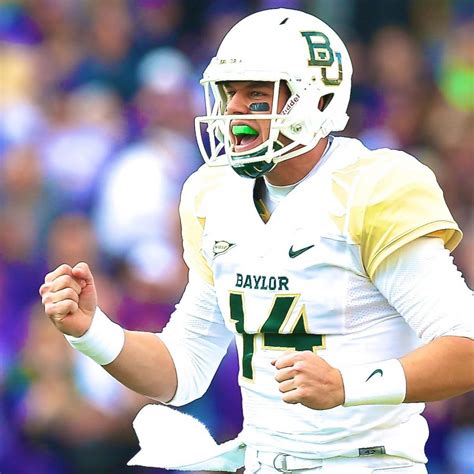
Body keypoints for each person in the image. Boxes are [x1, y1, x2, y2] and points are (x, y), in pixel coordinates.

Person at [39, 8, 473, 474]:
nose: (234, 111)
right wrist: (92, 332)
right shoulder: (214, 193)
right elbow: (183, 369)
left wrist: (347, 385)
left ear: (317, 100)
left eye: (256, 95)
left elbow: (467, 346)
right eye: (229, 94)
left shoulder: (370, 189)